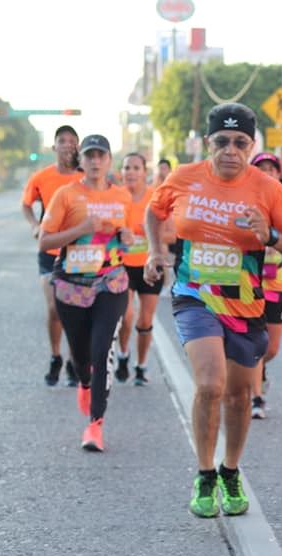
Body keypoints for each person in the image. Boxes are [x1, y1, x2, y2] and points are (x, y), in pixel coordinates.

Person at [143, 103, 282, 518]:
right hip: (194, 294)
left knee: (238, 395)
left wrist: (269, 234)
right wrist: (154, 250)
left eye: (240, 143)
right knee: (210, 383)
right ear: (208, 143)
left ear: (252, 146)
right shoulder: (183, 178)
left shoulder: (267, 189)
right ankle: (204, 473)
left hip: (246, 302)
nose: (230, 150)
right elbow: (154, 209)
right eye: (222, 142)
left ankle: (230, 469)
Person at [38, 134, 133, 452]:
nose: (95, 161)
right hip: (71, 286)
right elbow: (45, 242)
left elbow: (126, 237)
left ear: (109, 161)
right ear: (82, 161)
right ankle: (83, 379)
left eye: (101, 155)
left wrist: (126, 238)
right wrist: (81, 230)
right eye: (89, 155)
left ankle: (95, 425)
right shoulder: (66, 195)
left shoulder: (122, 196)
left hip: (111, 282)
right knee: (81, 356)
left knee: (100, 348)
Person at [22, 125, 82, 387]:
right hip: (50, 251)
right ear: (54, 146)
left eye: (72, 141)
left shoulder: (85, 177)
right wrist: (35, 225)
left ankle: (72, 361)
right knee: (55, 308)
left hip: (80, 254)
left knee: (76, 311)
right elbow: (26, 204)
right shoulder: (42, 177)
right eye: (62, 141)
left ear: (78, 146)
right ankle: (56, 356)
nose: (67, 145)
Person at [248, 152, 282, 419]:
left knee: (271, 348)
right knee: (256, 343)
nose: (267, 173)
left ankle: (258, 370)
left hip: (278, 281)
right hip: (250, 281)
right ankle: (257, 398)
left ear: (279, 174)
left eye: (271, 169)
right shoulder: (241, 201)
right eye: (261, 168)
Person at [115, 152, 170, 386]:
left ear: (144, 173)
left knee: (145, 320)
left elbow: (172, 233)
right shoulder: (114, 197)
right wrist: (119, 234)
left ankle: (141, 365)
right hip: (121, 266)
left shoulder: (155, 198)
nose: (131, 172)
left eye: (136, 168)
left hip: (149, 266)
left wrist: (145, 231)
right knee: (127, 317)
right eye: (127, 167)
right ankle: (123, 354)